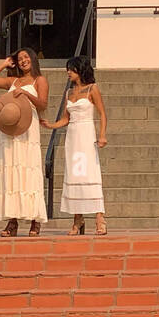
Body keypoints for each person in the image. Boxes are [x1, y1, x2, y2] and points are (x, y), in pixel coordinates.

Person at [0, 47, 49, 237]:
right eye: (19, 58)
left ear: (32, 59)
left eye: (25, 57)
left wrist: (26, 94)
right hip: (10, 131)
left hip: (29, 129)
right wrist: (5, 64)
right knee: (11, 173)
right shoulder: (12, 81)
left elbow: (43, 104)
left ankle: (34, 220)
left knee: (29, 170)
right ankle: (12, 221)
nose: (23, 61)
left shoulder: (40, 80)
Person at [43, 55, 108, 235]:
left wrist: (102, 135)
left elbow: (102, 113)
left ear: (80, 70)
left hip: (86, 134)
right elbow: (65, 118)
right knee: (75, 174)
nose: (68, 73)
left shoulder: (92, 89)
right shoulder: (69, 93)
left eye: (71, 69)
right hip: (72, 136)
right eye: (68, 70)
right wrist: (50, 125)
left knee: (89, 173)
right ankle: (77, 218)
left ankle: (99, 217)